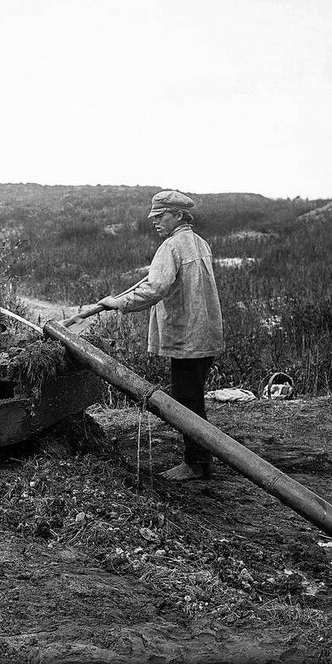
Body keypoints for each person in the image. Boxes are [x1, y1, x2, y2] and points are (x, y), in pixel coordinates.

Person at [97, 189, 224, 481]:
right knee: (193, 398)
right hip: (205, 335)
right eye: (154, 216)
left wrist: (119, 303)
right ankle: (200, 460)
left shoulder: (172, 247)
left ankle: (195, 463)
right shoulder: (199, 243)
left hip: (187, 337)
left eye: (160, 216)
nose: (155, 222)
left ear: (178, 215)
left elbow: (155, 289)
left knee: (187, 403)